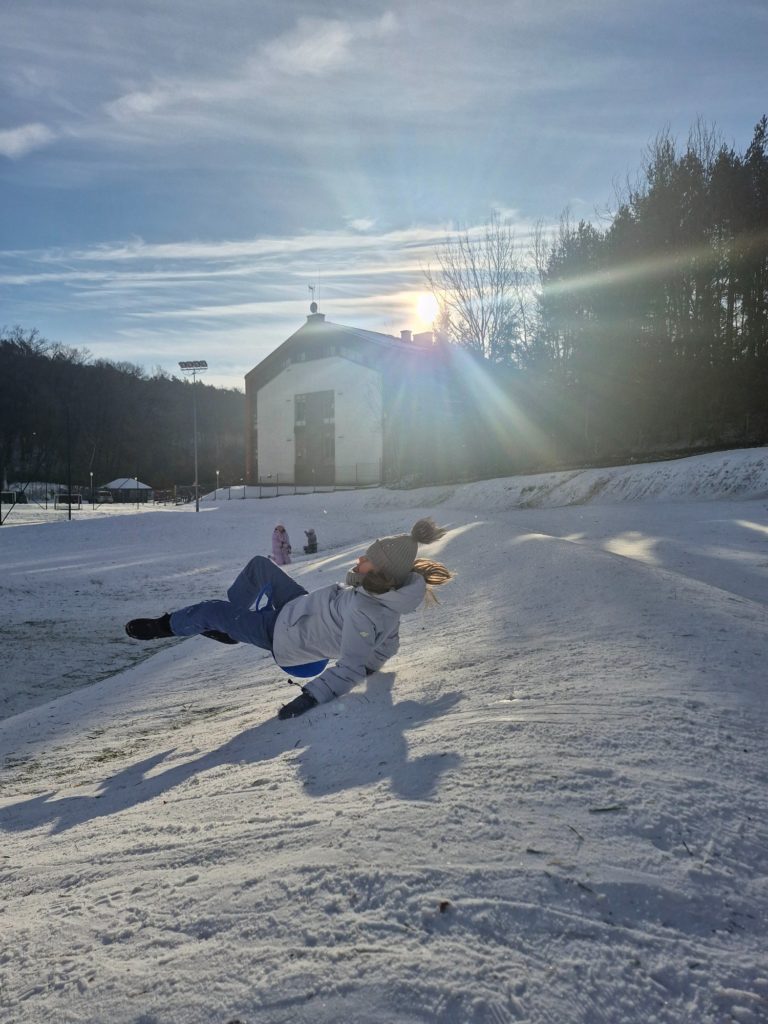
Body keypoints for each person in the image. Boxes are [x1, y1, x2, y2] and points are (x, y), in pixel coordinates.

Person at [125, 518, 453, 720]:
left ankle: (163, 626)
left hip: (288, 641)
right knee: (260, 566)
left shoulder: (366, 611)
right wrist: (375, 664)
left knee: (212, 610)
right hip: (299, 611)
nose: (360, 557)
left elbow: (351, 666)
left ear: (381, 572)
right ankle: (232, 628)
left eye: (367, 558)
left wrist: (311, 697)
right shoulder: (380, 600)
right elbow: (388, 644)